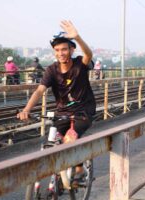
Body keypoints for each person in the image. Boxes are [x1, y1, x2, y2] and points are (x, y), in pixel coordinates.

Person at [17, 20, 95, 189]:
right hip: (62, 112)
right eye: (57, 50)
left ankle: (80, 169)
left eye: (64, 49)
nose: (61, 53)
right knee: (54, 141)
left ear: (72, 50)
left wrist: (77, 37)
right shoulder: (51, 70)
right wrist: (26, 110)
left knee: (70, 139)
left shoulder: (80, 64)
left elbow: (89, 54)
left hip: (83, 111)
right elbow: (39, 91)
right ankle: (60, 176)